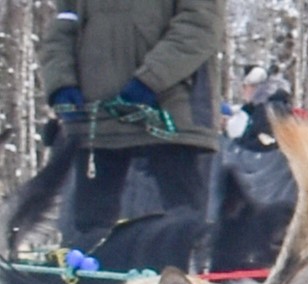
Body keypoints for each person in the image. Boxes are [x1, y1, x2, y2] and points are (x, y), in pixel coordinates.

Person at [39, 0, 224, 238]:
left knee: (183, 228)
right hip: (94, 120)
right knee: (87, 232)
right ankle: (89, 270)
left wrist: (151, 79)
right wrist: (61, 83)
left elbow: (200, 26)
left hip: (168, 114)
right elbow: (63, 25)